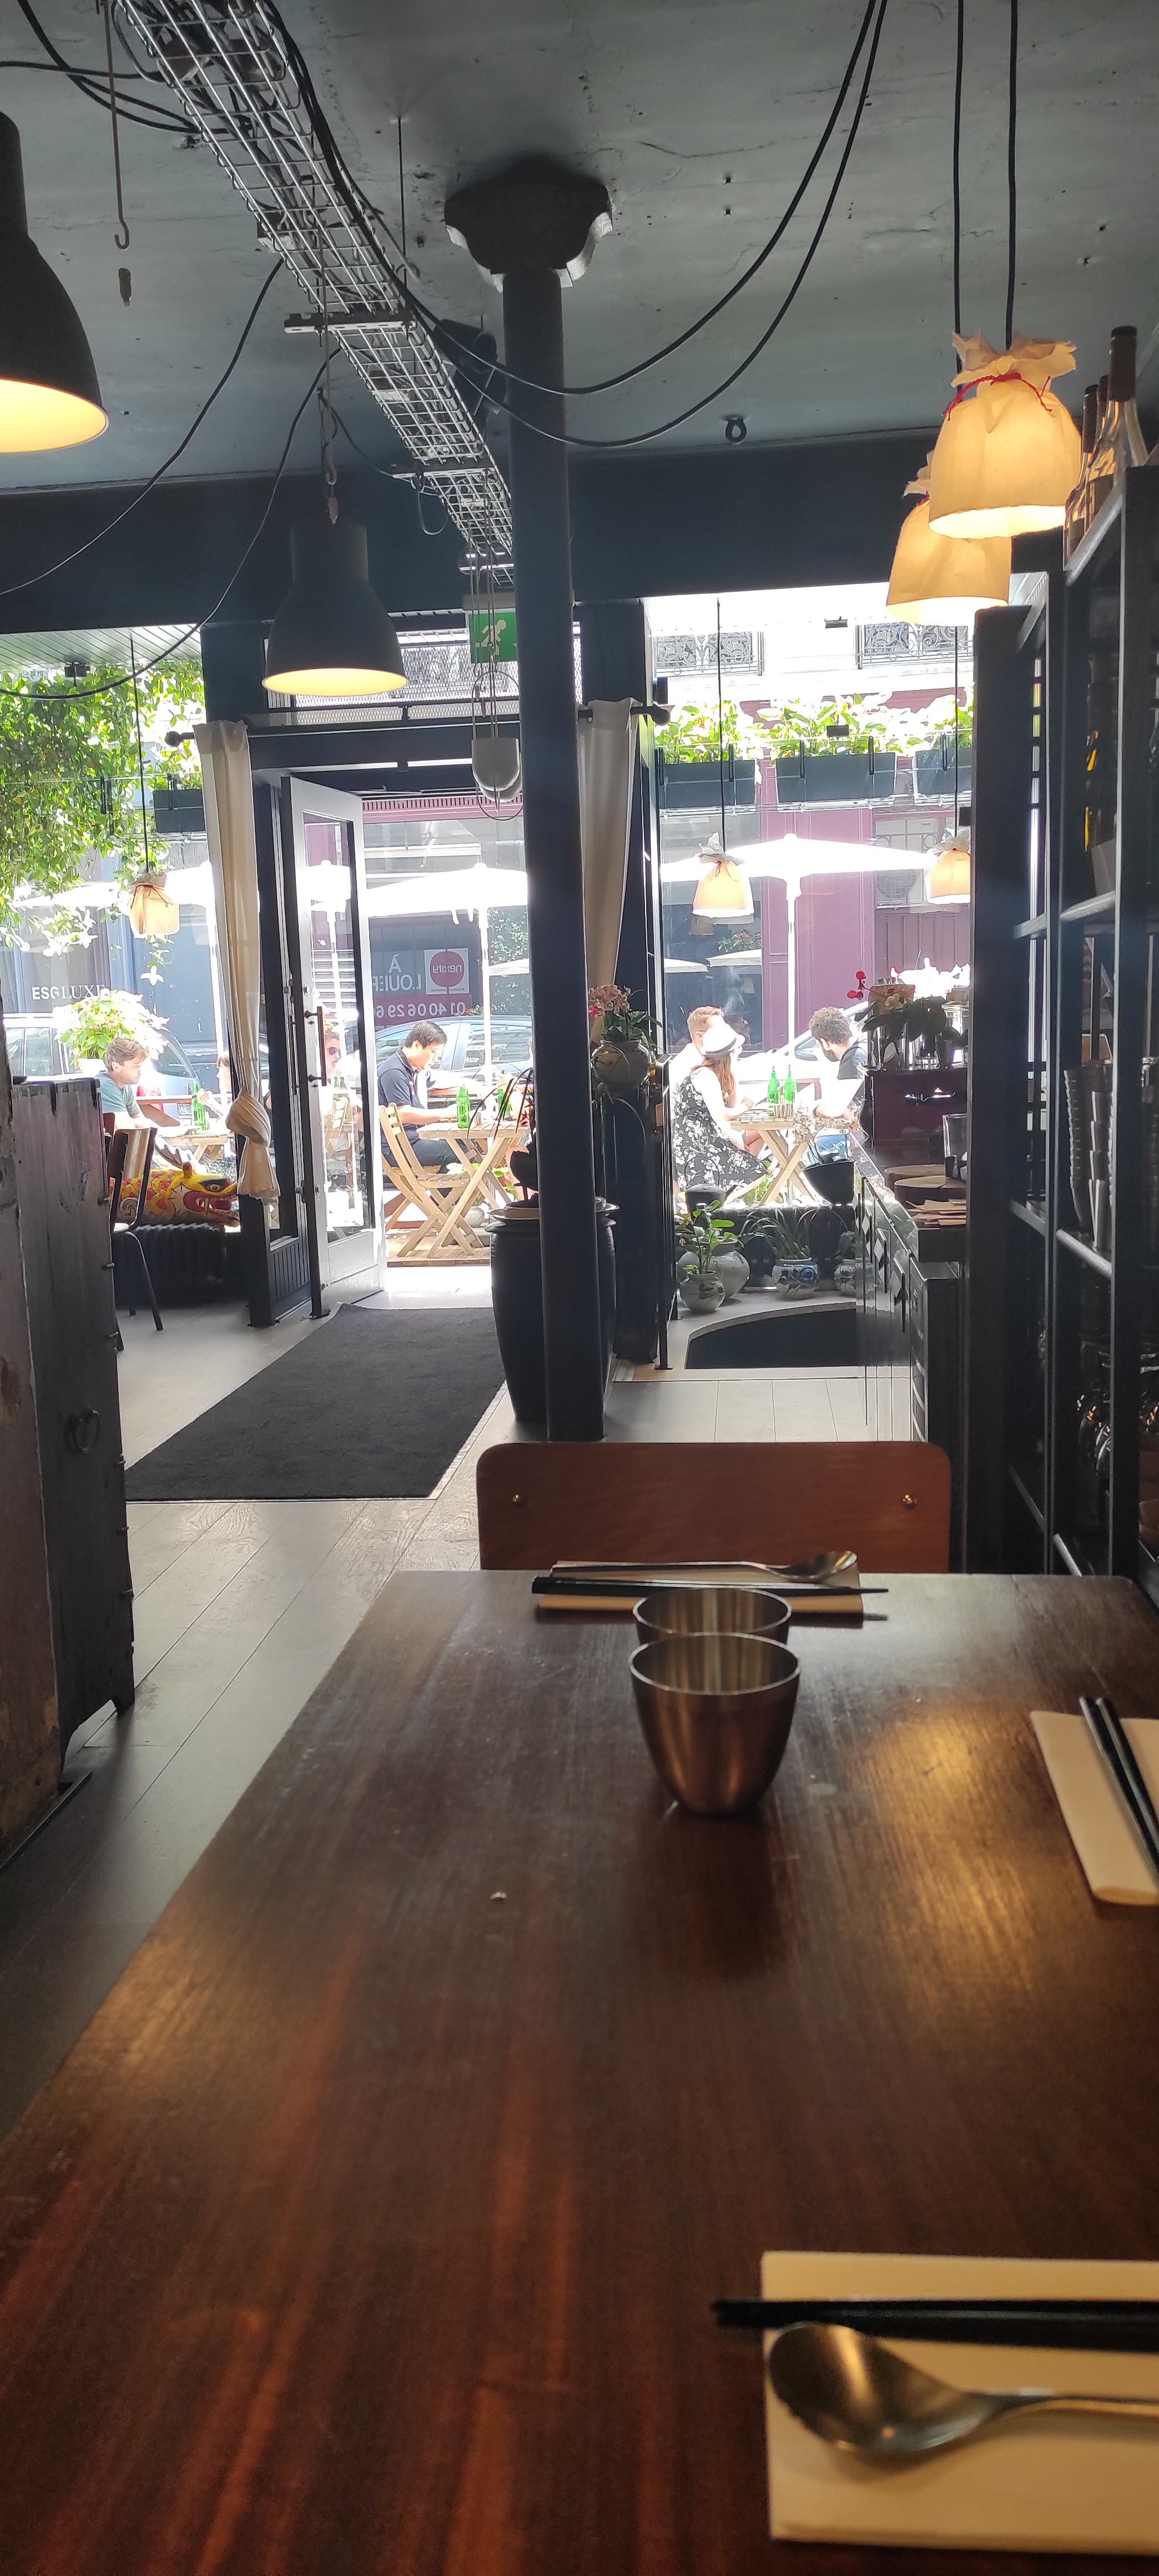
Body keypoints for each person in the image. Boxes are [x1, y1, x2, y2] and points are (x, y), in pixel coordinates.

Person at [671, 1009, 765, 1199]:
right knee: (756, 1171)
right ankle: (722, 1202)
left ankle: (722, 1201)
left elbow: (729, 1104)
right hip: (696, 1142)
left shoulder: (711, 1071)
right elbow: (722, 1115)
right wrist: (746, 1107)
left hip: (707, 1134)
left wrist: (733, 1073)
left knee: (761, 1136)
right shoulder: (703, 1074)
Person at [377, 1020, 454, 1171]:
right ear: (417, 1046)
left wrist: (475, 1086)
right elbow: (403, 1114)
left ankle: (444, 1186)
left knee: (464, 1145)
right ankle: (442, 1187)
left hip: (414, 1138)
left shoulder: (415, 1069)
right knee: (460, 1153)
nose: (436, 1059)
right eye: (434, 1052)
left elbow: (441, 1079)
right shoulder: (394, 1072)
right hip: (401, 1147)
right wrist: (446, 1113)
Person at [800, 1005, 866, 1160]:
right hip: (870, 1131)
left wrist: (814, 1108)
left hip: (865, 1138)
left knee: (812, 1151)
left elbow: (835, 1109)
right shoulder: (861, 1048)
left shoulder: (853, 1059)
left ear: (825, 1043)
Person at [98, 1034, 178, 1133]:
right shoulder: (106, 1087)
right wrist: (132, 1122)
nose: (140, 1071)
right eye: (136, 1066)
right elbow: (126, 1129)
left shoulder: (125, 1085)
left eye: (140, 1066)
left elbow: (143, 1123)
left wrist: (131, 1121)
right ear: (116, 1067)